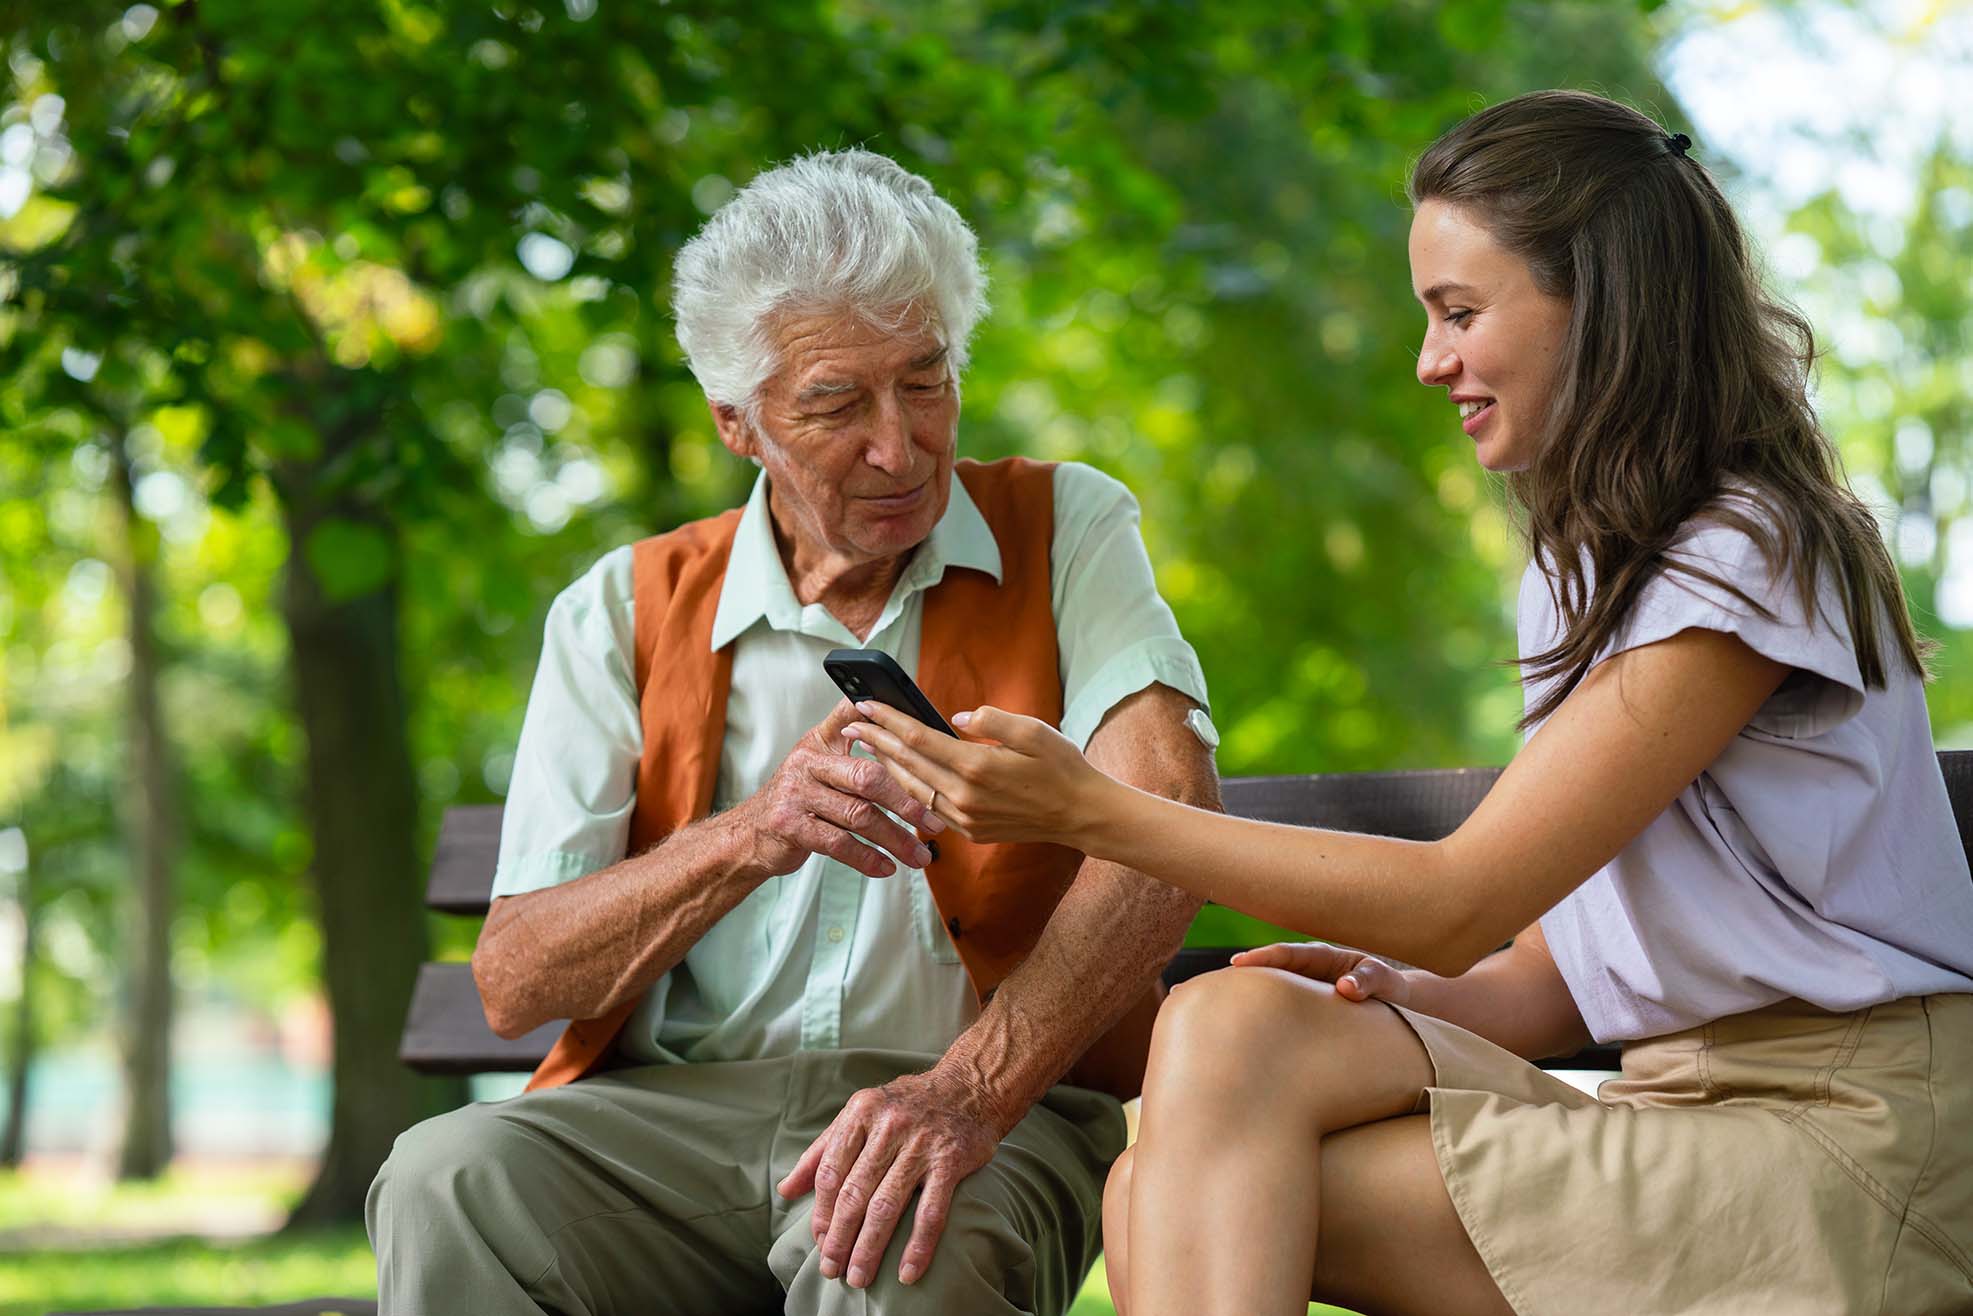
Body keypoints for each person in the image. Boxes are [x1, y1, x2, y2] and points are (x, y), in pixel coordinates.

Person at [845, 91, 1973, 1316]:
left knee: (1165, 1192)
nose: (1429, 358)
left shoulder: (1742, 552)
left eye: (1459, 312)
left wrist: (1087, 811)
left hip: (1849, 1141)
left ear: (1600, 307)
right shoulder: (1582, 565)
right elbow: (1556, 961)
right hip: (1675, 1104)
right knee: (1227, 1027)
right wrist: (1423, 992)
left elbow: (1460, 898)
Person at [365, 148, 1221, 1316]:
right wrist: (748, 835)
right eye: (833, 404)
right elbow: (515, 980)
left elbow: (1164, 815)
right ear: (737, 422)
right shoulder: (622, 605)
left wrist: (965, 1092)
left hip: (983, 1101)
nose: (899, 444)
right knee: (444, 1178)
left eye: (925, 381)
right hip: (669, 1125)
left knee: (892, 1245)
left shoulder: (1067, 527)